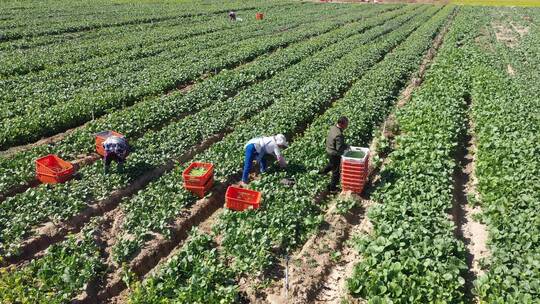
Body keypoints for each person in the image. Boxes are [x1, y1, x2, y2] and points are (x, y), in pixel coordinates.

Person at [319, 116, 349, 191]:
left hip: (329, 149)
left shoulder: (333, 127)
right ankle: (332, 188)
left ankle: (321, 172)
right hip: (334, 153)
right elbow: (339, 148)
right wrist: (347, 148)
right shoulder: (339, 134)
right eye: (346, 124)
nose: (347, 126)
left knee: (331, 164)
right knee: (336, 171)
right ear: (341, 124)